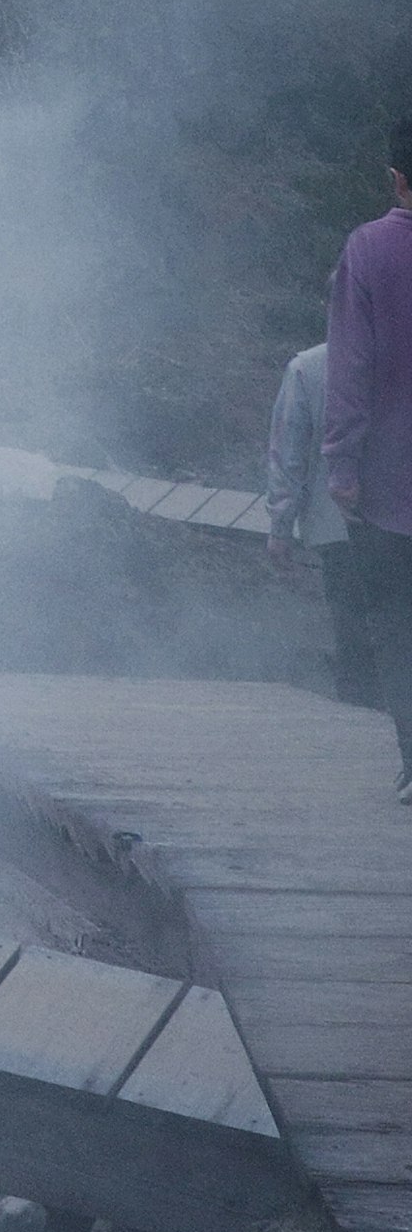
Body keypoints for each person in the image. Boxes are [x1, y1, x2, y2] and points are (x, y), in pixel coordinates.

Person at [319, 122, 412, 795]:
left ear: (395, 176)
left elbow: (349, 366)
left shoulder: (369, 250)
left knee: (398, 625)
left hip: (391, 482)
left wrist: (341, 464)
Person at [266, 334, 379, 703]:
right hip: (396, 523)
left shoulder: (308, 368)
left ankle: (358, 705)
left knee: (351, 623)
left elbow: (289, 452)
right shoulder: (399, 361)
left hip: (336, 524)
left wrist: (280, 526)